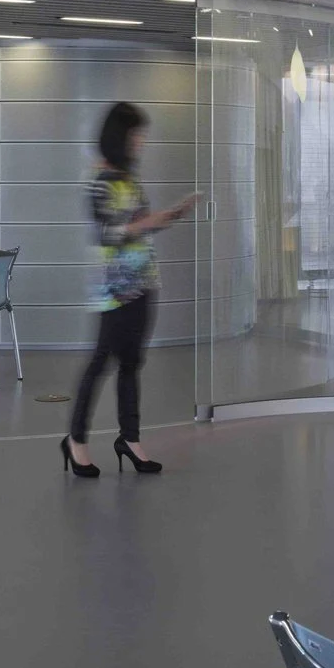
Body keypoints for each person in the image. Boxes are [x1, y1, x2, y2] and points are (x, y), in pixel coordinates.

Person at [62, 101, 197, 479]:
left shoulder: (129, 179)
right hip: (112, 289)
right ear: (119, 137)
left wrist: (169, 216)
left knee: (131, 364)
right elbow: (109, 233)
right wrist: (146, 223)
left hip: (142, 284)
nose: (141, 143)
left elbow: (139, 226)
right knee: (100, 361)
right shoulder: (100, 180)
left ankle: (130, 439)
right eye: (136, 136)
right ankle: (76, 441)